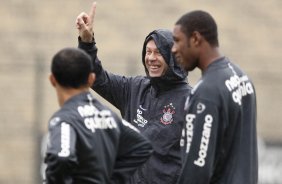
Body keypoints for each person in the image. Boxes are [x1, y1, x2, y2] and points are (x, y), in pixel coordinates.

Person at [75, 2, 192, 184]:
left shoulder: (190, 101)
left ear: (173, 57)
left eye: (158, 53)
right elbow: (97, 78)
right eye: (148, 52)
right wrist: (87, 42)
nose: (151, 58)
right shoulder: (134, 88)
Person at [171, 10, 258, 184]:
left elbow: (196, 170)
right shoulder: (240, 77)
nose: (173, 49)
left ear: (195, 39)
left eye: (177, 40)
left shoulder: (207, 93)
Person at [44, 47, 153, 184]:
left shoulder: (63, 120)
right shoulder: (108, 116)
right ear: (91, 79)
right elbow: (142, 145)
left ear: (52, 80)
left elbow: (62, 156)